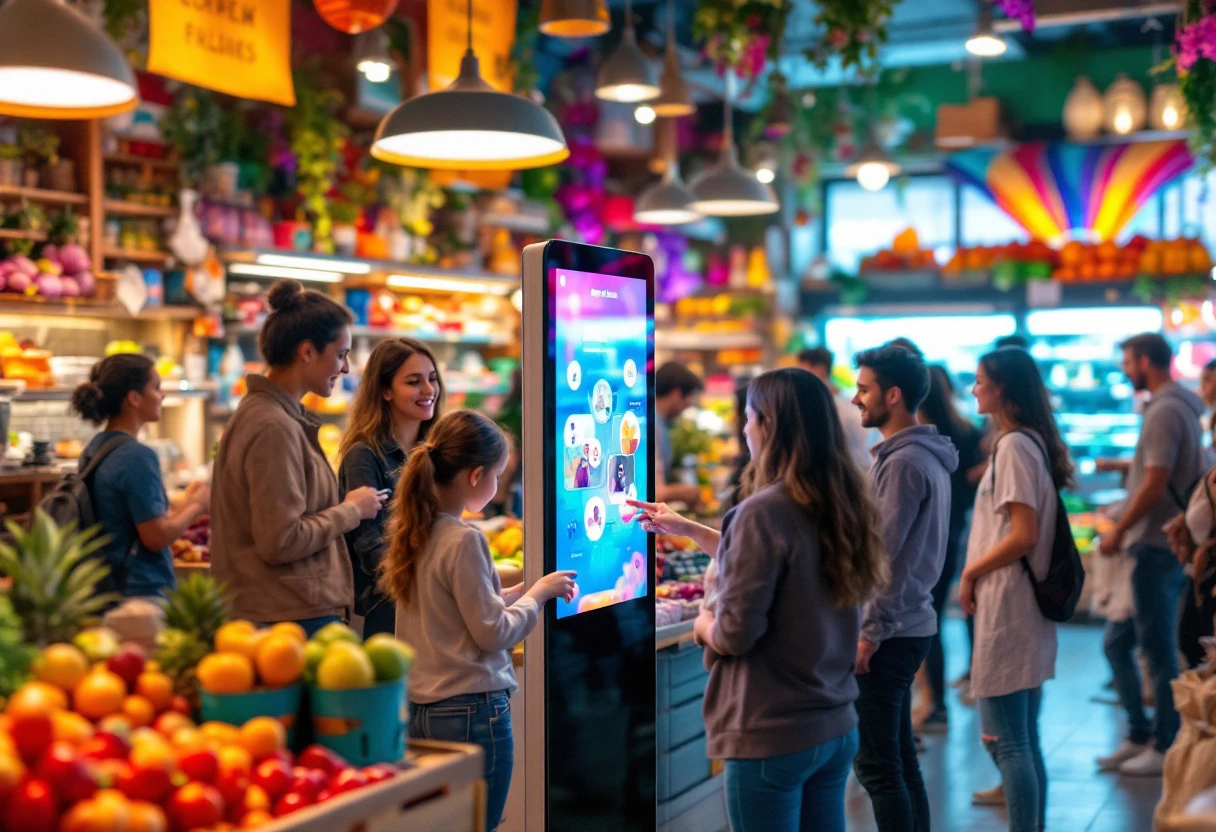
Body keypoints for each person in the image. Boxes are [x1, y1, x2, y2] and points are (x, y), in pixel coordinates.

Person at [627, 368, 889, 832]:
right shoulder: (839, 500)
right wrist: (689, 529)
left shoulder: (762, 510)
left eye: (747, 417)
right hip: (834, 723)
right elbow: (779, 564)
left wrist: (703, 620)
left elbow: (734, 634)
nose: (743, 428)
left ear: (767, 424)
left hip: (772, 731)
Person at [385, 409, 576, 831]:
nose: (498, 485)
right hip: (470, 710)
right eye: (497, 475)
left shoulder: (417, 531)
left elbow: (458, 611)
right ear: (475, 476)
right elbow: (494, 633)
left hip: (422, 709)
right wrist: (539, 596)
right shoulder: (466, 539)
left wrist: (520, 590)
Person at [211, 280, 385, 636]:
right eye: (341, 354)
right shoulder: (273, 426)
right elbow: (281, 540)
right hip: (287, 619)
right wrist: (352, 510)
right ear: (307, 352)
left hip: (285, 612)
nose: (347, 369)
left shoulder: (273, 416)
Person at [957, 347, 1071, 832]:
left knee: (1008, 741)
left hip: (1010, 604)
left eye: (980, 380)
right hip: (1017, 605)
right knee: (1019, 737)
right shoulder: (1023, 443)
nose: (974, 388)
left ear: (1001, 387)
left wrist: (970, 573)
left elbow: (1022, 534)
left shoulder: (1015, 447)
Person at [851, 342, 957, 832]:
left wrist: (870, 632)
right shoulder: (914, 455)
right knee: (898, 763)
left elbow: (885, 561)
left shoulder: (904, 463)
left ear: (892, 396)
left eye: (864, 388)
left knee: (878, 767)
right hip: (909, 625)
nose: (856, 399)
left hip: (891, 633)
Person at [1095, 333, 1207, 775]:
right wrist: (1127, 467)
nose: (1125, 370)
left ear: (1144, 360)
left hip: (1155, 545)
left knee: (1155, 649)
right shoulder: (1180, 405)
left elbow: (1157, 481)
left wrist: (1119, 530)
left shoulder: (1162, 411)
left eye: (1127, 361)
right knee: (1120, 644)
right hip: (1162, 544)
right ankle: (1141, 733)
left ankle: (1162, 744)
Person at [69, 354, 211, 600]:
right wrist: (197, 505)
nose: (162, 395)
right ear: (134, 398)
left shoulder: (95, 448)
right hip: (139, 592)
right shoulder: (137, 456)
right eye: (156, 387)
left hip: (106, 585)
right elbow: (156, 537)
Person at [338, 338, 444, 638]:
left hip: (429, 605)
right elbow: (372, 550)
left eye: (432, 379)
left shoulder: (435, 452)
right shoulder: (364, 456)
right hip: (386, 614)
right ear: (384, 390)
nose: (428, 390)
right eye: (414, 382)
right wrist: (436, 581)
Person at [917, 365, 985, 733]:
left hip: (929, 540)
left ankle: (936, 705)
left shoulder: (923, 438)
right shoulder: (964, 430)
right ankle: (936, 703)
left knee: (926, 623)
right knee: (935, 619)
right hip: (955, 533)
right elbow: (974, 480)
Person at [797, 347, 872, 469]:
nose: (798, 381)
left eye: (803, 372)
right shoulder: (842, 401)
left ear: (820, 371)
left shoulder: (840, 407)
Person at [655, 362, 704, 507]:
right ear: (676, 394)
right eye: (689, 398)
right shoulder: (652, 426)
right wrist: (688, 492)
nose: (689, 404)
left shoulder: (661, 424)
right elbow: (656, 493)